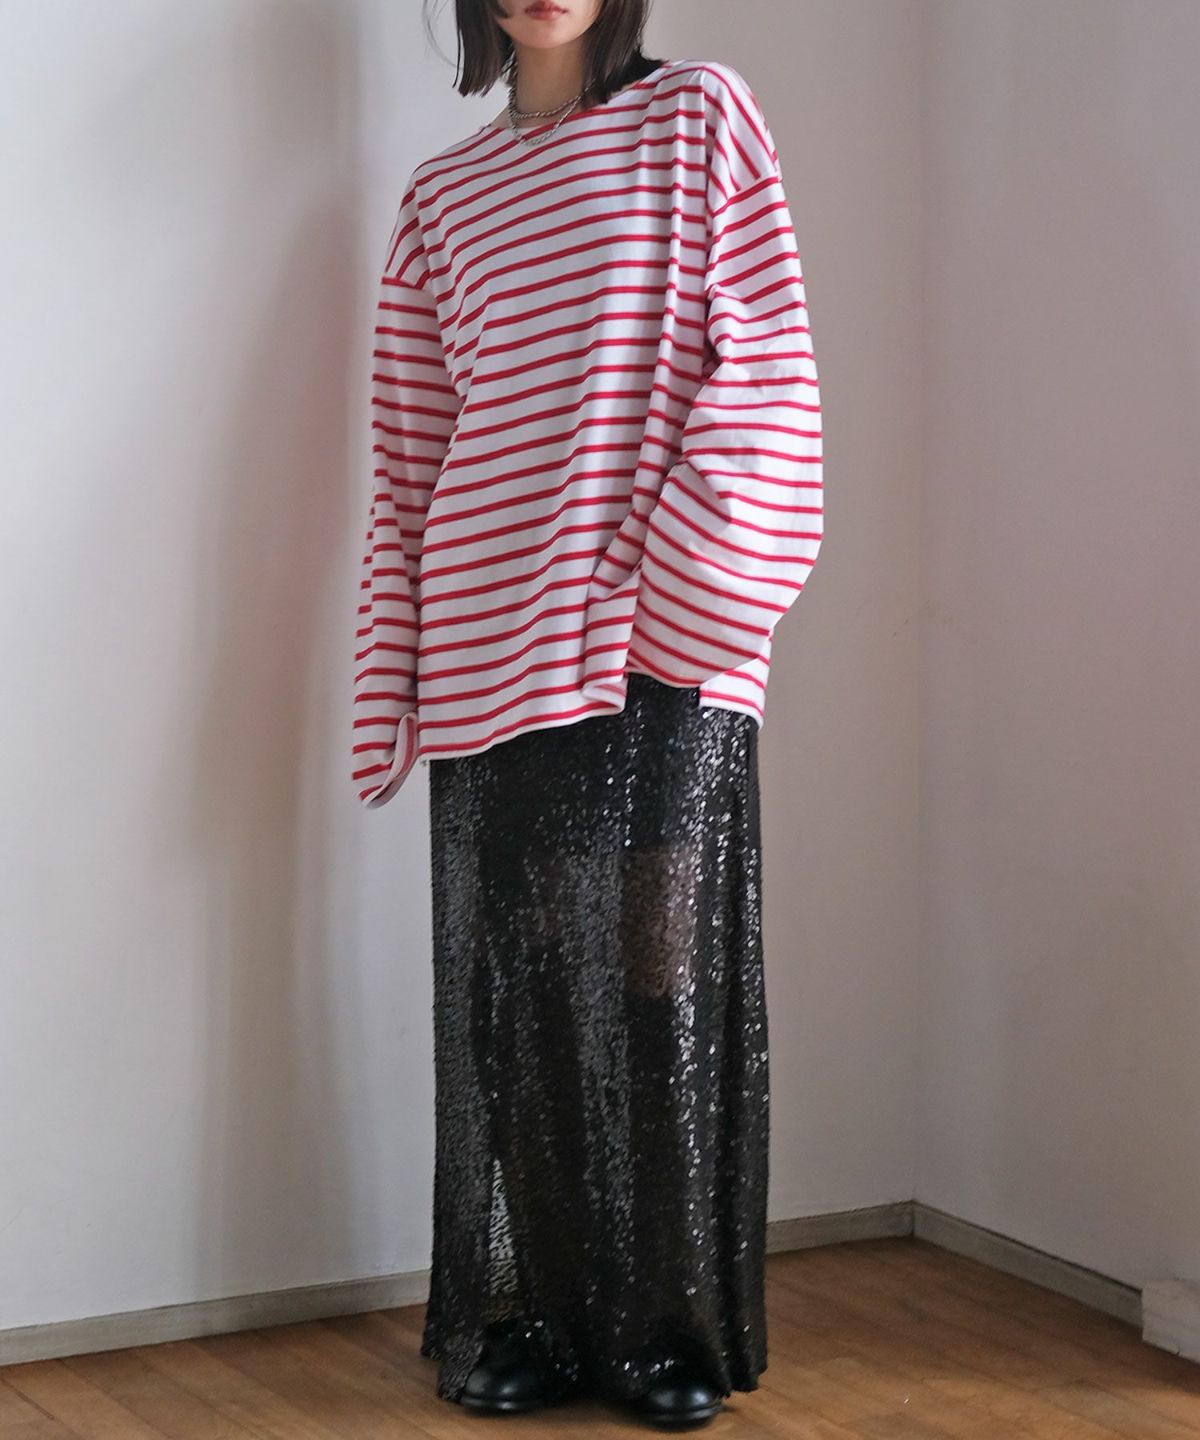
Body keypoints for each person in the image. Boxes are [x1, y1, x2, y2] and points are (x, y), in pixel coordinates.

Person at [352, 0, 823, 1427]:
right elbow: (412, 455)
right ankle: (546, 1320)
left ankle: (663, 1327)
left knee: (655, 985)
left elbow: (765, 374)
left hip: (649, 640)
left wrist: (678, 592)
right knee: (531, 1000)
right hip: (485, 642)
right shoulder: (442, 195)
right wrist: (395, 680)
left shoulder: (699, 117)